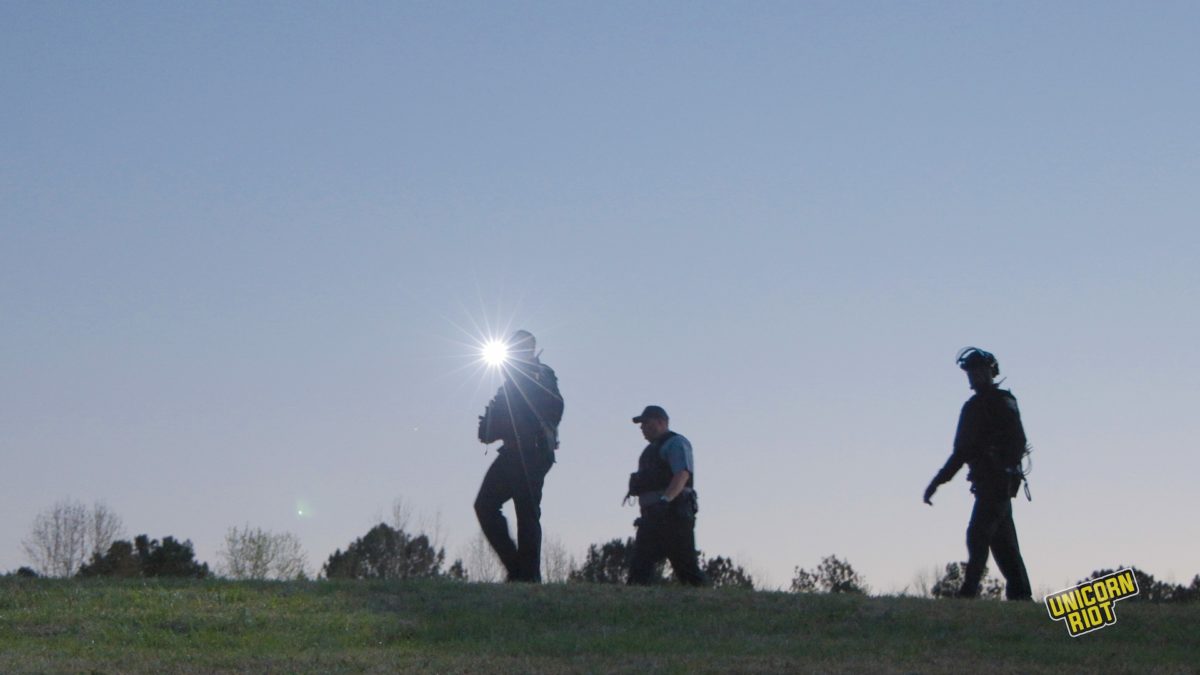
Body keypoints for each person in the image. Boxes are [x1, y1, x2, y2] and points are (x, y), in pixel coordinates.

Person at [924, 347, 1033, 600]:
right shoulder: (977, 407)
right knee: (1005, 549)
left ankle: (968, 593)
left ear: (990, 372)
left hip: (997, 484)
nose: (974, 376)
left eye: (979, 371)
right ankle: (1023, 599)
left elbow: (1017, 442)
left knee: (978, 534)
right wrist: (937, 482)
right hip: (990, 484)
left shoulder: (1000, 403)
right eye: (971, 372)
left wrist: (936, 483)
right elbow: (962, 451)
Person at [474, 330, 564, 582]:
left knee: (526, 510)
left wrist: (527, 382)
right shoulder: (508, 384)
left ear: (531, 349)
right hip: (512, 452)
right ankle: (517, 569)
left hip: (533, 452)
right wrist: (489, 425)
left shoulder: (542, 373)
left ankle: (529, 576)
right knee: (485, 504)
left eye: (520, 347)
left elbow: (555, 407)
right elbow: (496, 423)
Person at [625, 405, 707, 586]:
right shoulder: (649, 451)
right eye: (642, 424)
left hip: (674, 515)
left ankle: (707, 601)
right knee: (639, 568)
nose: (642, 428)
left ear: (662, 422)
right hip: (651, 516)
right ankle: (635, 604)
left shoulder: (676, 443)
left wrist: (665, 501)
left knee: (686, 569)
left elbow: (682, 474)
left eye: (647, 422)